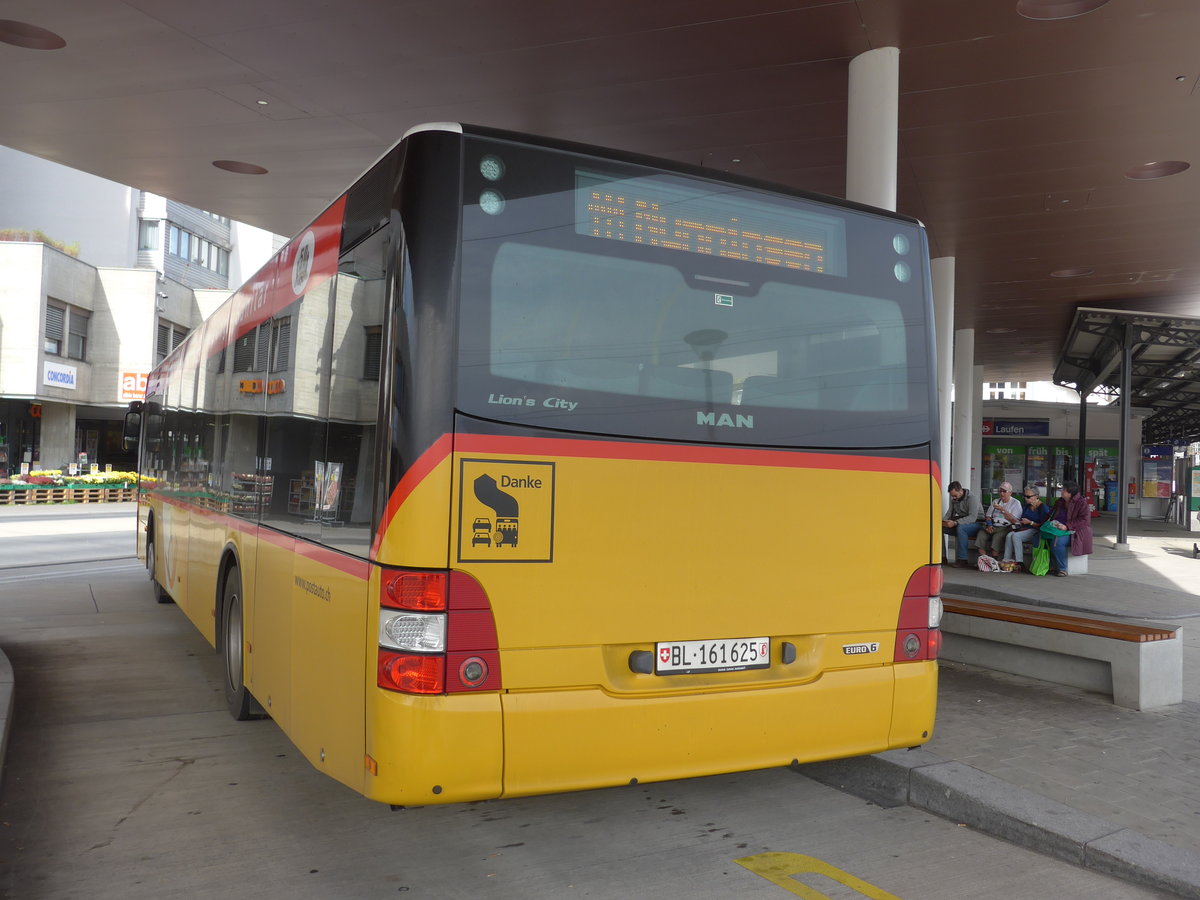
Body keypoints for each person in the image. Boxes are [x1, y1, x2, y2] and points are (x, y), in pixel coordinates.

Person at [1041, 480, 1094, 576]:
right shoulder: (1060, 502)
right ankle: (1050, 565)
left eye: (1064, 490)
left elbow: (1084, 520)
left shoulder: (1081, 503)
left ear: (1070, 493)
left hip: (1074, 531)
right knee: (1040, 537)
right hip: (1057, 528)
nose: (1061, 492)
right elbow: (1051, 514)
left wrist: (1067, 526)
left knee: (1058, 542)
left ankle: (1062, 568)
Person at [1001, 486, 1051, 569]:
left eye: (1028, 497)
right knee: (1009, 535)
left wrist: (1030, 522)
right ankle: (1006, 560)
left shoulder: (1043, 508)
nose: (1026, 499)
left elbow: (1044, 525)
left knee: (1016, 536)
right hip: (1024, 528)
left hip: (1036, 530)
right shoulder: (1027, 506)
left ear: (1036, 496)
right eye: (1024, 496)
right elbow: (1021, 519)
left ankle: (1020, 562)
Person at [975, 482, 1022, 559]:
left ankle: (994, 560)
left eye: (1004, 491)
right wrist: (989, 525)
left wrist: (1003, 510)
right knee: (981, 534)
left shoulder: (1016, 503)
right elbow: (988, 516)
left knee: (998, 537)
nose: (1001, 493)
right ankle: (984, 559)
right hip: (993, 525)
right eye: (1000, 491)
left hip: (1006, 526)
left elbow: (1015, 521)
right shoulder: (996, 501)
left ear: (1010, 493)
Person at [942, 481, 982, 567]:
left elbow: (972, 517)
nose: (954, 498)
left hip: (977, 524)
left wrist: (955, 523)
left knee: (961, 528)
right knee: (939, 528)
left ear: (960, 491)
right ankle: (942, 557)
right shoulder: (954, 500)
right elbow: (949, 513)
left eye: (955, 495)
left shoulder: (972, 498)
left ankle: (963, 560)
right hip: (962, 523)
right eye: (952, 496)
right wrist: (943, 522)